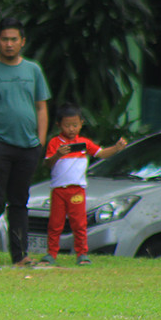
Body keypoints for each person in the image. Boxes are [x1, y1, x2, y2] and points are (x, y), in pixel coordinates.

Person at [0, 17, 51, 267]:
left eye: (14, 39)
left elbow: (41, 107)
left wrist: (40, 142)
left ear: (22, 42)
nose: (9, 44)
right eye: (4, 39)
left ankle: (20, 255)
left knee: (19, 202)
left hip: (28, 147)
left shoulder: (33, 70)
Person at [38, 102, 127, 266]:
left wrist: (116, 148)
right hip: (59, 190)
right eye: (67, 126)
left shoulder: (84, 143)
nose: (71, 129)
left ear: (81, 124)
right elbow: (47, 164)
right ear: (59, 125)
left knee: (79, 223)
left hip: (77, 190)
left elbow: (101, 154)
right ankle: (51, 254)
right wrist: (57, 155)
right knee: (55, 223)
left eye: (75, 125)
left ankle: (82, 254)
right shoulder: (54, 143)